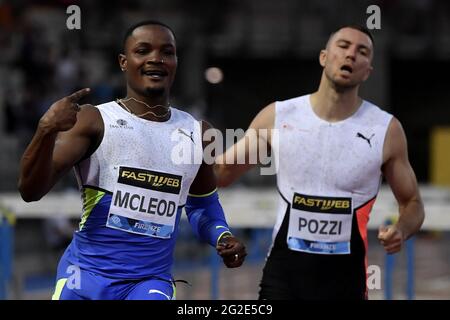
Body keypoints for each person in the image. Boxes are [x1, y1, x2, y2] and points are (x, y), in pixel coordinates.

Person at [18, 20, 246, 300]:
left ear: (175, 62)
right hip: (84, 277)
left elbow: (203, 206)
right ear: (124, 62)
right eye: (143, 50)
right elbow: (30, 191)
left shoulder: (198, 133)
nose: (156, 59)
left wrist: (223, 236)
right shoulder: (94, 121)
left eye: (167, 52)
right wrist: (45, 130)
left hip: (149, 283)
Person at [215, 25, 425, 300]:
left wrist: (402, 229)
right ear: (324, 57)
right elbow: (222, 172)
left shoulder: (386, 130)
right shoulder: (278, 116)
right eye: (343, 46)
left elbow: (413, 204)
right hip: (283, 281)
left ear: (368, 71)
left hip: (346, 284)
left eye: (362, 52)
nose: (351, 55)